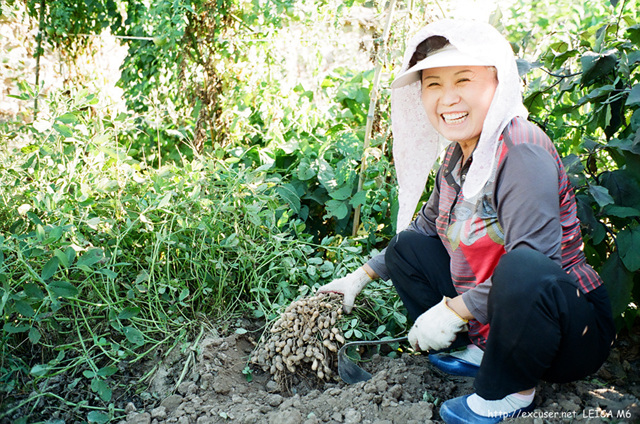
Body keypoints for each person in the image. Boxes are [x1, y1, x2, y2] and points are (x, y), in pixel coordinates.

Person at [318, 19, 615, 424]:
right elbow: (423, 228)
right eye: (434, 84)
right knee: (408, 249)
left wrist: (454, 311)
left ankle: (509, 392)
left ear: (499, 84)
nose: (448, 98)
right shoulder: (459, 156)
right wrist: (358, 278)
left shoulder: (521, 151)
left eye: (464, 80)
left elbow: (538, 266)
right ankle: (482, 353)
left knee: (524, 265)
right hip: (501, 317)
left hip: (570, 330)